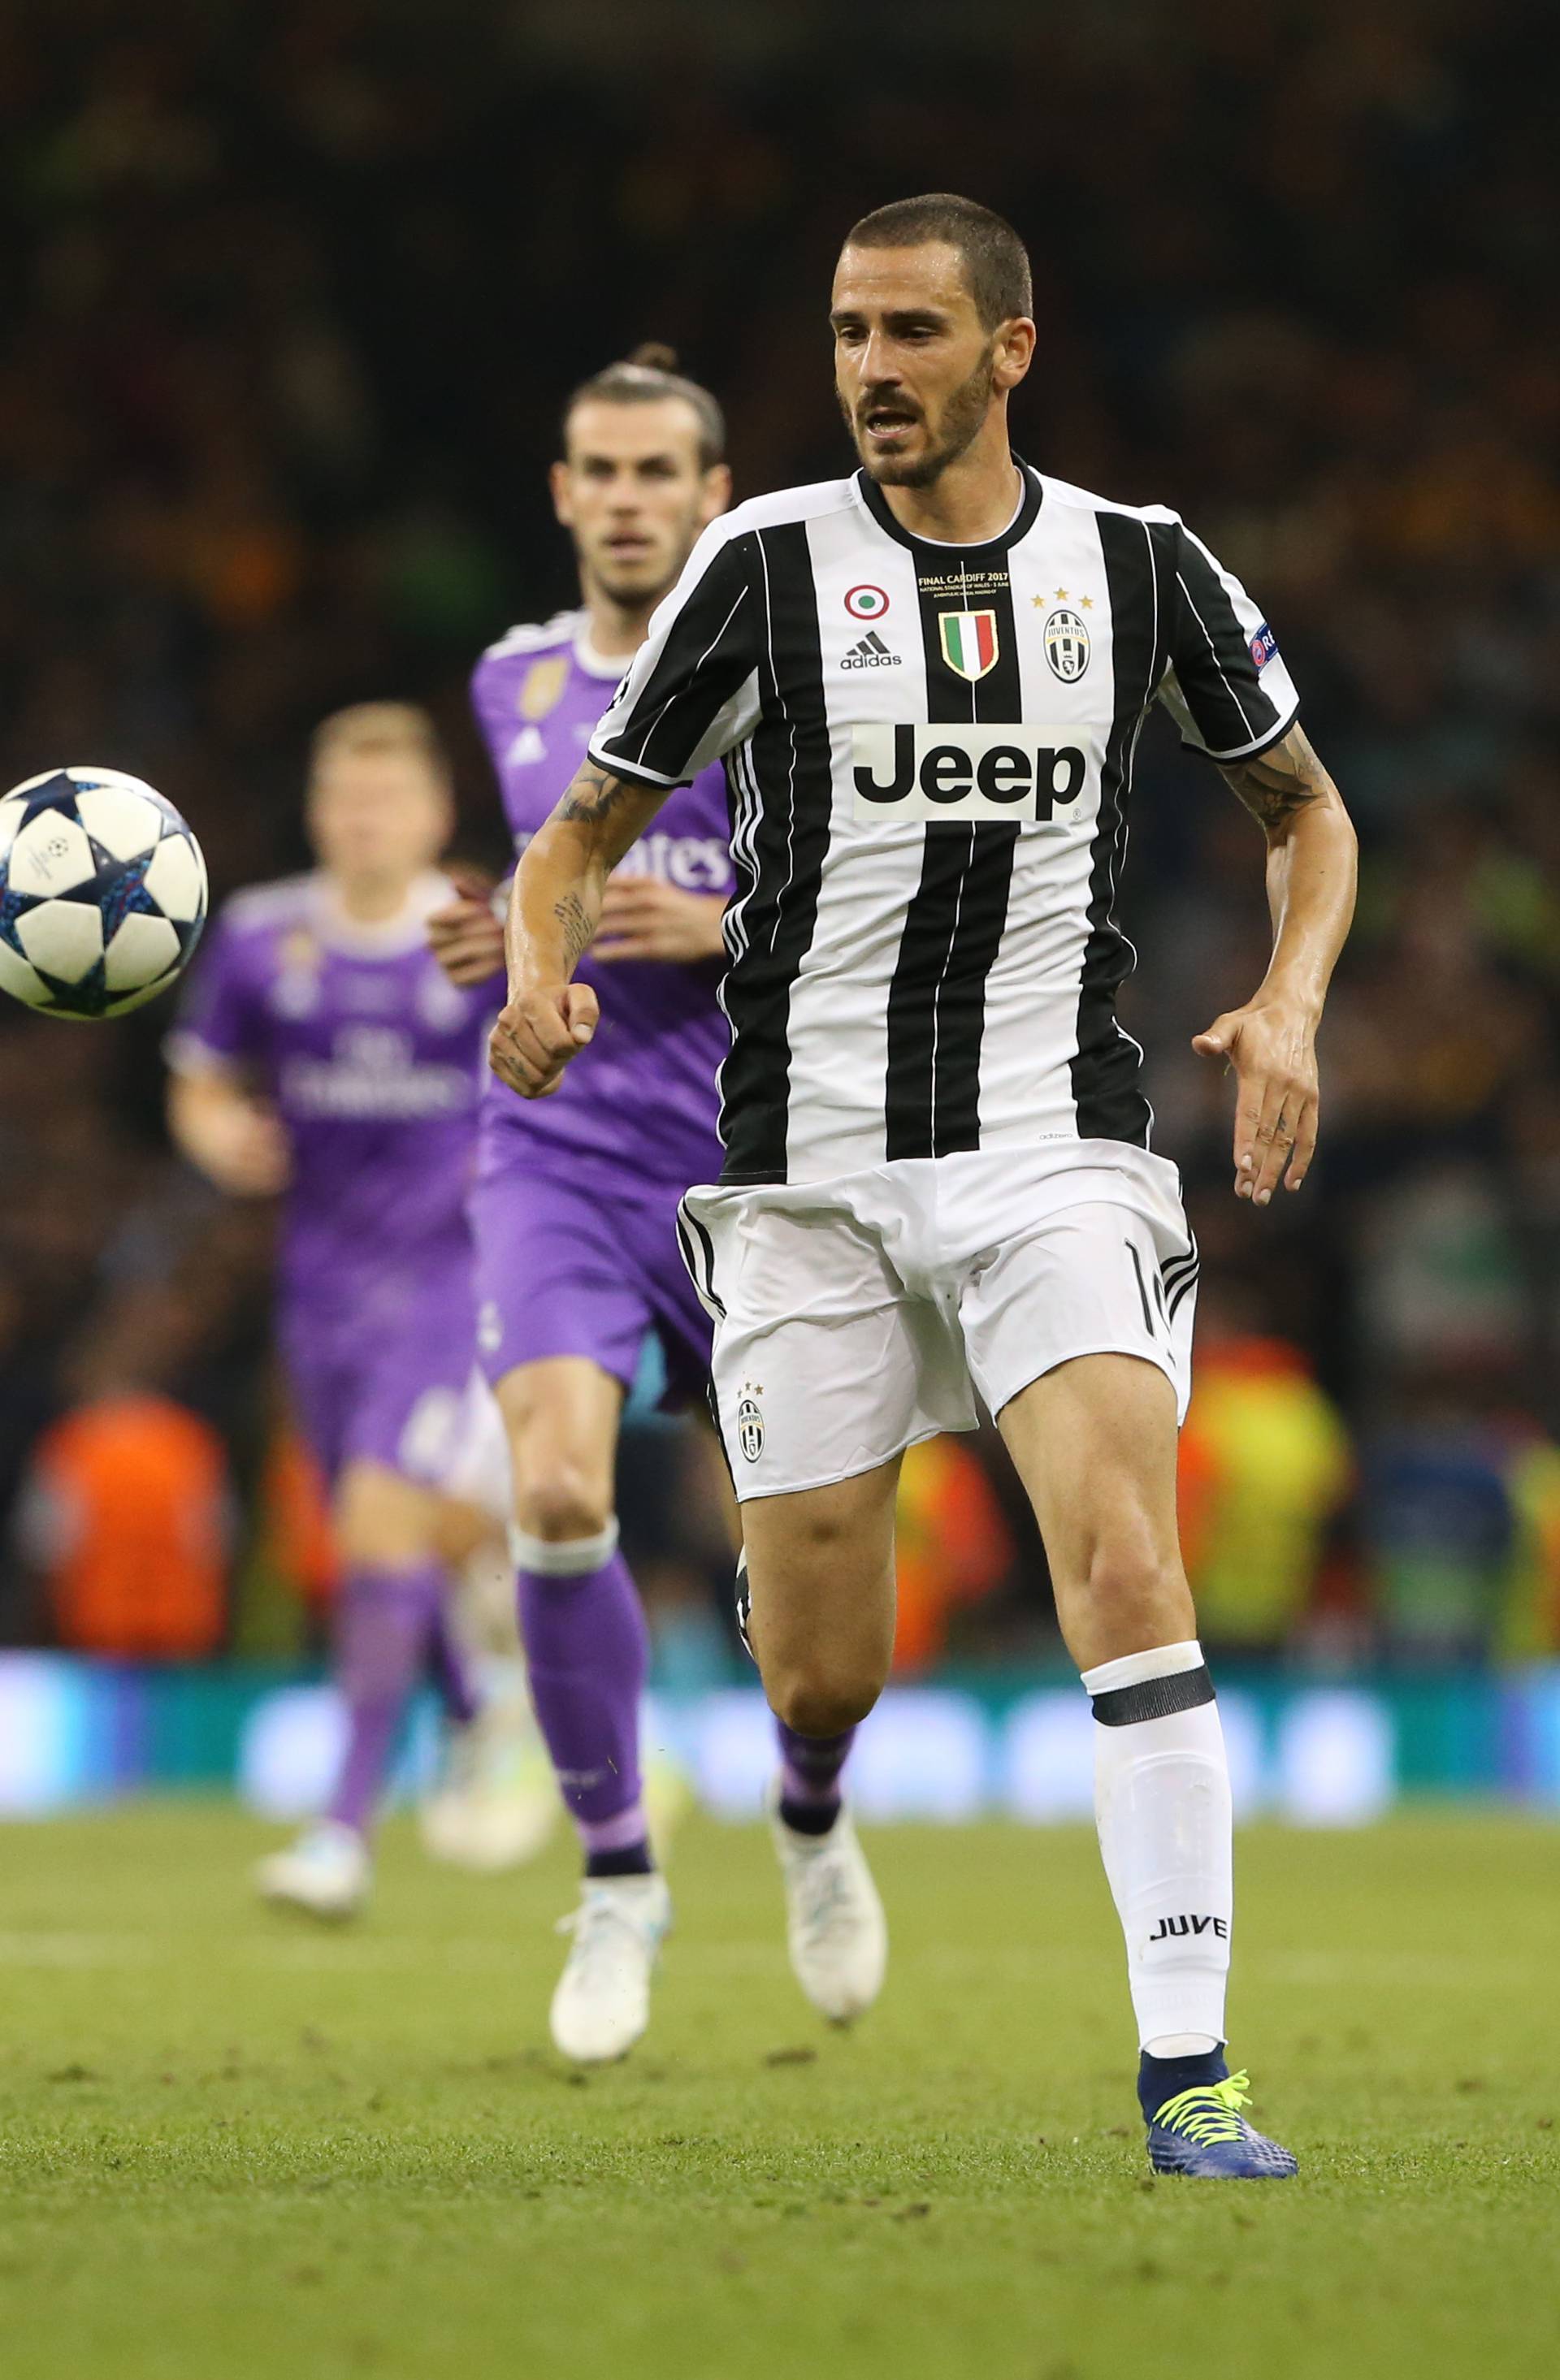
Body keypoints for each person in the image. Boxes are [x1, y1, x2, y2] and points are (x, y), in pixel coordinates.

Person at [488, 198, 1358, 2177]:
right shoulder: (762, 562)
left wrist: (1294, 1004)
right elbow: (579, 834)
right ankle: (809, 1788)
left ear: (1009, 349)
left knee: (1125, 1559)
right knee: (825, 1664)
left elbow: (1307, 807)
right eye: (847, 333)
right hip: (804, 1182)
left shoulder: (1140, 570)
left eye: (908, 331)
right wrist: (542, 971)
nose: (870, 367)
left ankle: (1190, 2066)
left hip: (1061, 1148)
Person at [429, 348, 886, 2064]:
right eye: (597, 471)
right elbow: (554, 886)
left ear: (713, 498)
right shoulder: (509, 681)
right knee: (553, 1488)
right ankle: (618, 1876)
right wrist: (508, 951)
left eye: (656, 473)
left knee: (819, 1637)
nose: (625, 499)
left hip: (765, 1163)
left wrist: (727, 927)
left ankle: (813, 1811)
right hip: (556, 1152)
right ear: (564, 494)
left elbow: (881, 899)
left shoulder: (796, 673)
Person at [167, 703, 545, 1916]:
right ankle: (485, 1706)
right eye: (342, 797)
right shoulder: (261, 936)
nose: (361, 818)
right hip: (318, 1285)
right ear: (317, 810)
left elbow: (555, 1076)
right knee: (373, 1541)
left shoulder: (483, 935)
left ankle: (341, 1832)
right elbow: (204, 1082)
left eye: (386, 799)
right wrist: (223, 1136)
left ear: (434, 815)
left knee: (383, 1525)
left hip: (446, 1280)